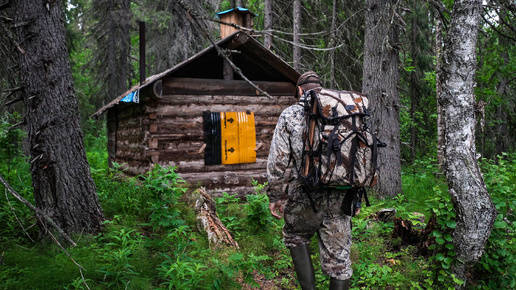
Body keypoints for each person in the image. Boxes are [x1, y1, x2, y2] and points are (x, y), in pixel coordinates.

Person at [266, 71, 360, 290]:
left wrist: (275, 196)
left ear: (300, 90)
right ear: (320, 88)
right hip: (340, 195)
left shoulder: (290, 115)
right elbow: (358, 156)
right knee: (339, 263)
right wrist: (355, 197)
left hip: (304, 195)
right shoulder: (344, 113)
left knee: (295, 236)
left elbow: (277, 162)